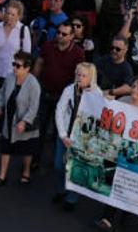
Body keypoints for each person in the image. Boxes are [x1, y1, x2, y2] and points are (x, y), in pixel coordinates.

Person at [97, 74, 138, 230]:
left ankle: (125, 219)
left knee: (132, 187)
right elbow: (104, 101)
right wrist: (109, 99)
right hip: (119, 149)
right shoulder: (123, 101)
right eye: (133, 86)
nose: (134, 90)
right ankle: (107, 218)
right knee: (115, 181)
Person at [33, 20, 84, 167]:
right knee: (40, 127)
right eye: (58, 33)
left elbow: (79, 76)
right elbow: (39, 63)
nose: (60, 36)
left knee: (59, 131)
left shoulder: (78, 53)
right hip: (45, 92)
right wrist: (34, 83)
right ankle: (35, 159)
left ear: (71, 36)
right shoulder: (48, 46)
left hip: (64, 99)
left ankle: (55, 162)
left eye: (64, 34)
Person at [53, 62, 100, 208]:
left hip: (82, 139)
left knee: (76, 169)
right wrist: (62, 135)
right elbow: (59, 111)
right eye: (78, 74)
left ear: (91, 77)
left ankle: (72, 199)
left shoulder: (96, 93)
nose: (80, 78)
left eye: (84, 75)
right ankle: (61, 190)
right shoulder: (69, 90)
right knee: (59, 165)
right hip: (65, 135)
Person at [0, 52, 40, 187]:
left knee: (27, 148)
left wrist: (25, 121)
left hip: (24, 122)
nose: (15, 68)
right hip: (9, 119)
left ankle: (26, 171)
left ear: (27, 68)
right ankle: (2, 175)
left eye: (18, 65)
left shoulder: (33, 84)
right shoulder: (10, 78)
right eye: (14, 64)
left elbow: (34, 107)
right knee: (5, 147)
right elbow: (2, 92)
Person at [0, 0, 32, 108]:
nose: (9, 16)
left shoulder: (24, 30)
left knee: (8, 105)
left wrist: (21, 75)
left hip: (13, 74)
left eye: (13, 14)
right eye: (7, 13)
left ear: (19, 16)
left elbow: (27, 54)